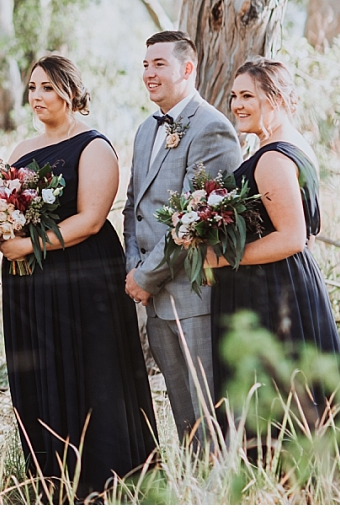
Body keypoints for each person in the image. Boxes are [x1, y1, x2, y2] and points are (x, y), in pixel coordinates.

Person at [0, 55, 156, 496]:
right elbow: (6, 206)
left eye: (47, 87)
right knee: (40, 369)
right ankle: (51, 478)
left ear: (70, 92)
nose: (37, 96)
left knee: (91, 369)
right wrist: (4, 229)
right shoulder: (21, 150)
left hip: (83, 278)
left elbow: (90, 220)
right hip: (30, 283)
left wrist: (27, 244)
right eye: (32, 87)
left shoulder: (94, 146)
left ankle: (106, 481)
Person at [206, 59, 340, 429]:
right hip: (289, 282)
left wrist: (221, 258)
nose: (237, 105)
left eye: (248, 96)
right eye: (234, 96)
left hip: (268, 291)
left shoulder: (271, 158)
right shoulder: (294, 146)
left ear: (278, 99)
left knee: (272, 402)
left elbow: (292, 237)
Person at [123, 30, 241, 444]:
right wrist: (133, 269)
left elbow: (196, 221)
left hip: (195, 295)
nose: (149, 74)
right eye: (145, 65)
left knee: (209, 410)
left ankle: (221, 481)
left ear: (187, 68)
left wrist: (145, 276)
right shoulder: (145, 130)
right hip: (155, 298)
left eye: (160, 64)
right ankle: (191, 480)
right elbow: (133, 207)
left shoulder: (212, 128)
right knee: (182, 414)